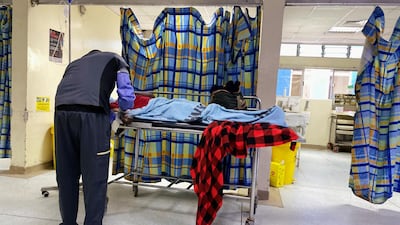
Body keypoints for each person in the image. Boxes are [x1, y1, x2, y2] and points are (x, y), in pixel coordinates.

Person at [54, 50, 135, 225]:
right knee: (94, 177)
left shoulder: (73, 64)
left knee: (66, 174)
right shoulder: (116, 59)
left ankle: (67, 222)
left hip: (61, 114)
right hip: (91, 118)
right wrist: (123, 110)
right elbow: (127, 97)